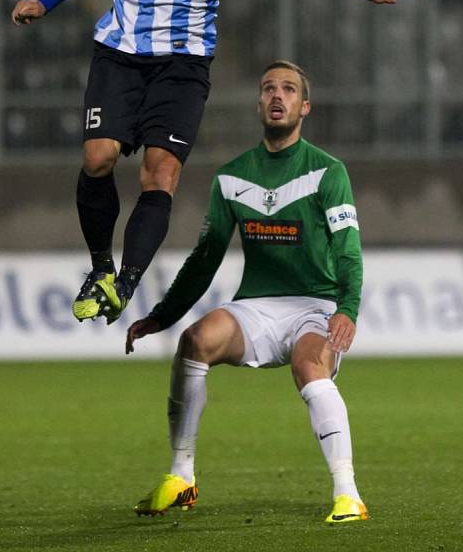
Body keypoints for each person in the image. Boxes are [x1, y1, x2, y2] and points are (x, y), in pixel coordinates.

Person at [11, 0, 419, 326]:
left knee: (160, 172)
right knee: (98, 159)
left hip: (183, 62)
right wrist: (46, 1)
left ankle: (127, 281)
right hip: (119, 52)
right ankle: (100, 268)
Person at [126, 60, 368, 524]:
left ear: (305, 106)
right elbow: (205, 258)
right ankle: (181, 477)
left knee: (308, 366)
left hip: (315, 305)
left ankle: (348, 493)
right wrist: (163, 315)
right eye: (269, 88)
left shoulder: (327, 172)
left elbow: (348, 251)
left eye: (290, 90)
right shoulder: (232, 177)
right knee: (194, 342)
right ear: (259, 102)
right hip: (256, 307)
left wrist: (347, 308)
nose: (278, 96)